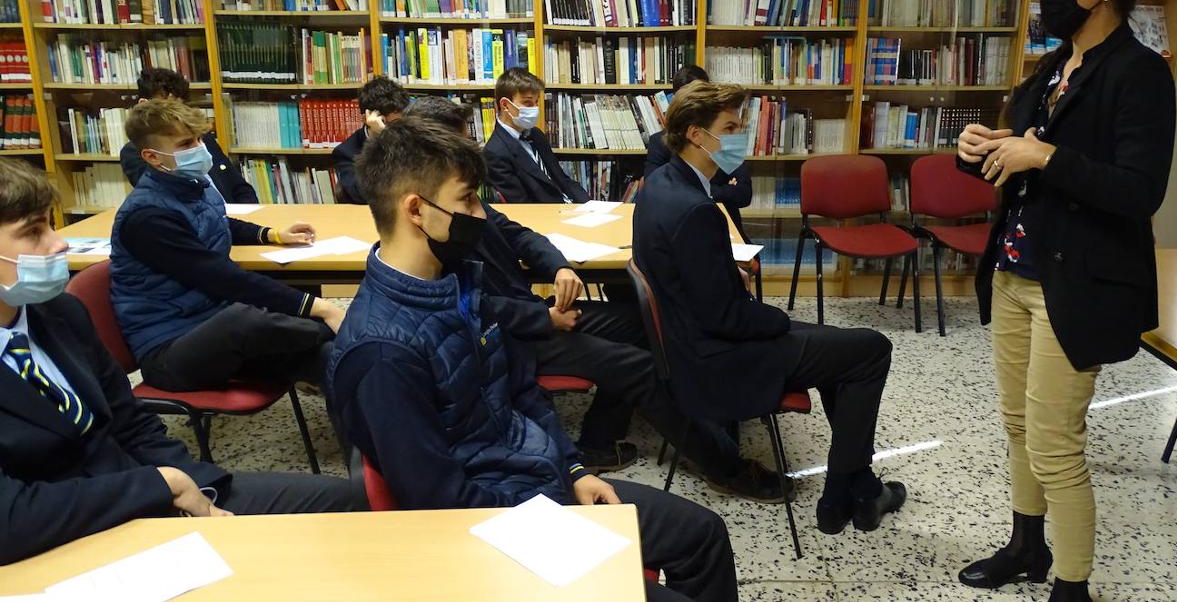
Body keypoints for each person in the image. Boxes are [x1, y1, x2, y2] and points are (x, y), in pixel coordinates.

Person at [324, 117, 738, 602]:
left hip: (539, 482)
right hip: (501, 527)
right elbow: (439, 501)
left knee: (703, 536)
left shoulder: (454, 282)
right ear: (416, 210)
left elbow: (520, 390)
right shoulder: (381, 353)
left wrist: (574, 470)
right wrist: (557, 519)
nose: (480, 214)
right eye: (466, 200)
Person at [405, 95, 789, 501]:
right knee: (641, 368)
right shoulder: (429, 224)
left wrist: (559, 267)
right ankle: (725, 466)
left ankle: (600, 440)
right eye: (461, 145)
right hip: (509, 339)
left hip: (535, 314)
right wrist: (543, 320)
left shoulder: (462, 200)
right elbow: (462, 307)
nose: (472, 154)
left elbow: (519, 234)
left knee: (641, 322)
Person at [954, 0, 1175, 602]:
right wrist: (983, 149)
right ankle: (1027, 546)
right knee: (1018, 425)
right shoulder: (1050, 69)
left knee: (1055, 442)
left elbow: (1140, 190)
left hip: (1076, 285)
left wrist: (1043, 154)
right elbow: (1020, 169)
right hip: (1019, 272)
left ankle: (1072, 587)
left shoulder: (1139, 75)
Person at [0, 159, 363, 565]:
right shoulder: (146, 216)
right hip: (64, 543)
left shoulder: (58, 313)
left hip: (147, 496)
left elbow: (129, 421)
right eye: (33, 233)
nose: (59, 243)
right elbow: (10, 519)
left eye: (50, 225)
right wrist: (160, 486)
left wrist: (200, 490)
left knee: (351, 505)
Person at [633, 79, 906, 535]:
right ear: (698, 135)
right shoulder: (696, 208)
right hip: (719, 358)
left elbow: (688, 278)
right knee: (871, 349)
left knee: (845, 351)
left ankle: (856, 488)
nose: (741, 136)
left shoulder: (662, 183)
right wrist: (780, 318)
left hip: (693, 343)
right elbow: (729, 317)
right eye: (731, 126)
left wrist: (723, 275)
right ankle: (847, 490)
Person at [110, 100, 344, 393]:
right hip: (169, 348)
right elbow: (222, 278)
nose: (199, 148)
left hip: (214, 326)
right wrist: (322, 309)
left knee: (334, 359)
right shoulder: (147, 218)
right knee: (246, 317)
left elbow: (217, 221)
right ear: (152, 157)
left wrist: (272, 235)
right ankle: (348, 328)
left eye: (199, 138)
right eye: (186, 143)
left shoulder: (193, 186)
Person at [118, 67, 257, 204]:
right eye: (168, 108)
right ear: (144, 105)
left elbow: (239, 187)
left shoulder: (201, 136)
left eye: (181, 107)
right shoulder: (133, 153)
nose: (178, 116)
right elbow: (168, 198)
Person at [643, 65, 752, 233]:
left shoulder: (722, 144)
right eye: (729, 128)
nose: (737, 136)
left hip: (731, 228)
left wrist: (703, 190)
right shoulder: (660, 146)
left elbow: (743, 194)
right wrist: (718, 189)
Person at [484, 68, 589, 204]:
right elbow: (522, 206)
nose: (534, 109)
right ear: (505, 105)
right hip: (549, 217)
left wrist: (589, 204)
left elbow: (562, 179)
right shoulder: (494, 153)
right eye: (527, 103)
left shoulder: (535, 134)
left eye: (536, 102)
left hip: (573, 208)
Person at [332, 76, 410, 205]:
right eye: (392, 123)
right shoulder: (346, 152)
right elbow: (361, 195)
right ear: (366, 118)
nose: (398, 129)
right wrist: (384, 140)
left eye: (400, 121)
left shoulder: (410, 134)